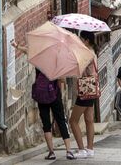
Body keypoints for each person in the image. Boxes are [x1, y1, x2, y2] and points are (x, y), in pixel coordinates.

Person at [10, 40, 76, 160]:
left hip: (41, 96)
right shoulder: (56, 62)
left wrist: (17, 46)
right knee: (61, 121)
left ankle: (51, 152)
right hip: (55, 95)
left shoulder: (39, 60)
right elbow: (62, 79)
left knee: (46, 124)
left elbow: (28, 51)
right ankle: (69, 151)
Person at [70, 31, 98, 159]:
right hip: (92, 90)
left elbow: (79, 69)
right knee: (89, 120)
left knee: (73, 120)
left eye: (81, 39)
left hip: (85, 90)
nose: (80, 41)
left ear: (86, 40)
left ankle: (81, 149)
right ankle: (90, 149)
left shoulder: (87, 53)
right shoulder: (93, 52)